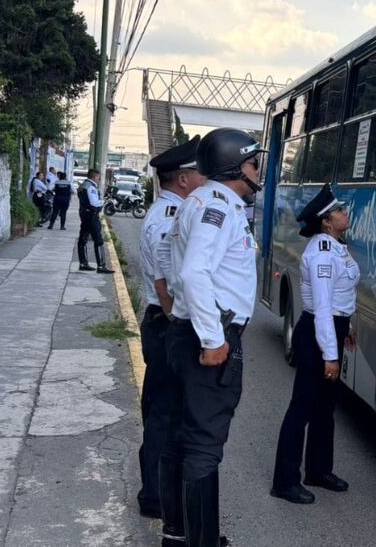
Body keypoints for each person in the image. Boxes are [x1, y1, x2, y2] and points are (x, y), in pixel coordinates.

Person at [161, 128, 263, 547]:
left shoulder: (199, 201)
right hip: (210, 338)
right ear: (236, 165)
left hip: (189, 330)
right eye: (255, 163)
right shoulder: (218, 206)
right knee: (204, 446)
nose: (259, 170)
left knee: (181, 437)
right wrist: (212, 339)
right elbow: (191, 271)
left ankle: (178, 534)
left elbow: (171, 257)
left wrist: (181, 315)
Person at [271, 185, 358, 504]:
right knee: (302, 408)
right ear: (326, 222)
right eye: (340, 211)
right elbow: (321, 309)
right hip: (317, 334)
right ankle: (285, 480)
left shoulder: (337, 246)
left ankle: (319, 471)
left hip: (333, 328)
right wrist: (330, 356)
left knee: (325, 407)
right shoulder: (321, 254)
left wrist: (347, 326)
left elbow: (342, 295)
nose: (346, 214)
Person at [136, 136, 205, 521]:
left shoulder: (171, 212)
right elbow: (166, 282)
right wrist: (179, 323)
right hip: (166, 323)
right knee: (165, 412)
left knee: (165, 408)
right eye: (197, 173)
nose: (202, 179)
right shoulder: (168, 219)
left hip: (162, 321)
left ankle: (158, 493)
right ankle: (156, 497)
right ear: (182, 179)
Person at [77, 169, 113, 273]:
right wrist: (104, 202)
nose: (99, 180)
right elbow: (94, 202)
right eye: (98, 178)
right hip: (91, 215)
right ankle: (101, 266)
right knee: (98, 240)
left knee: (83, 238)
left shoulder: (83, 185)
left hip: (84, 213)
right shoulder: (91, 187)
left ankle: (83, 263)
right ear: (94, 177)